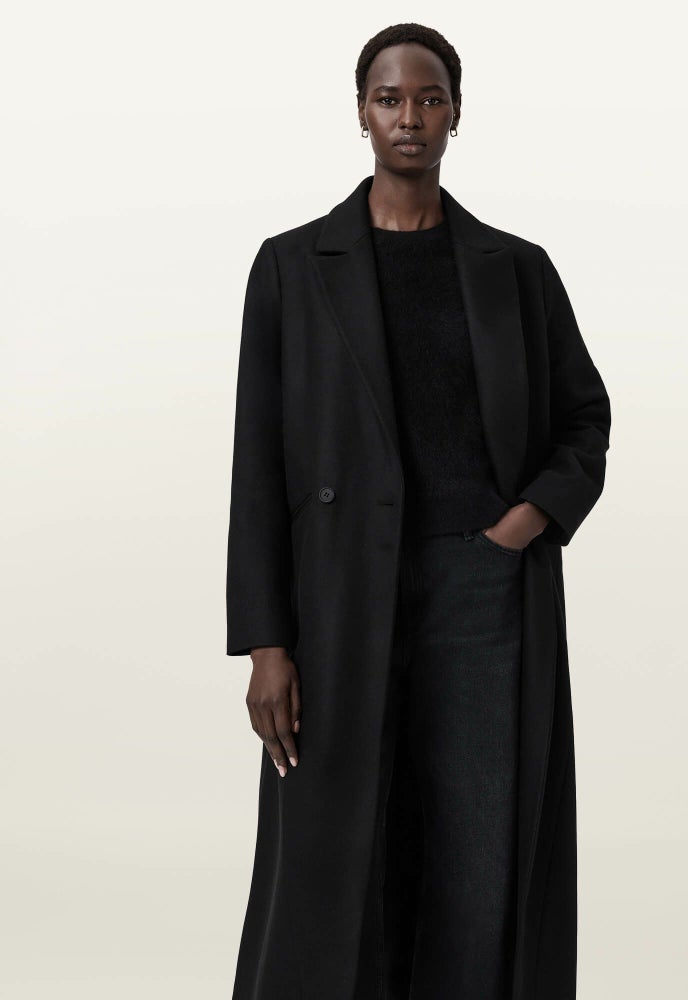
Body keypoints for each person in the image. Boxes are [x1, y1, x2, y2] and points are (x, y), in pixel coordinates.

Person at [226, 22, 611, 1000]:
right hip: (342, 593)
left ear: (456, 113)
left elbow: (584, 416)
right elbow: (257, 464)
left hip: (481, 592)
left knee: (478, 843)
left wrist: (524, 522)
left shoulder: (514, 268)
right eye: (390, 98)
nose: (410, 117)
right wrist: (266, 643)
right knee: (343, 849)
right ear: (360, 113)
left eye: (429, 98)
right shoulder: (291, 266)